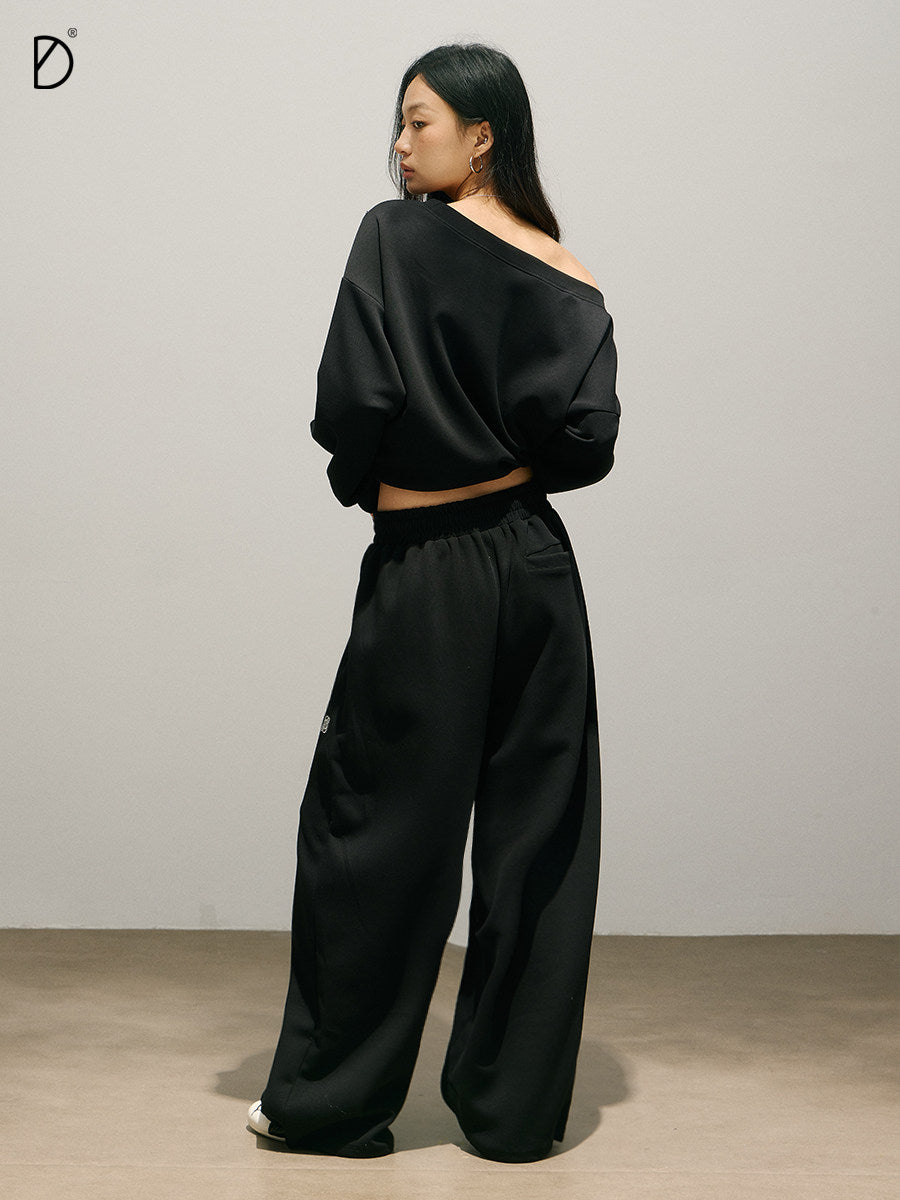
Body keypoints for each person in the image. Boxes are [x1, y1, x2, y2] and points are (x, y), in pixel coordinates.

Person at [247, 41, 621, 1164]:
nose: (401, 145)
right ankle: (512, 1118)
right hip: (537, 570)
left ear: (481, 134)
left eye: (420, 122)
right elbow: (588, 444)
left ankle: (329, 1101)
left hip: (428, 570)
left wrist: (377, 481)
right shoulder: (570, 273)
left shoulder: (393, 235)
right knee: (537, 841)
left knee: (371, 829)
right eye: (401, 124)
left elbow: (351, 400)